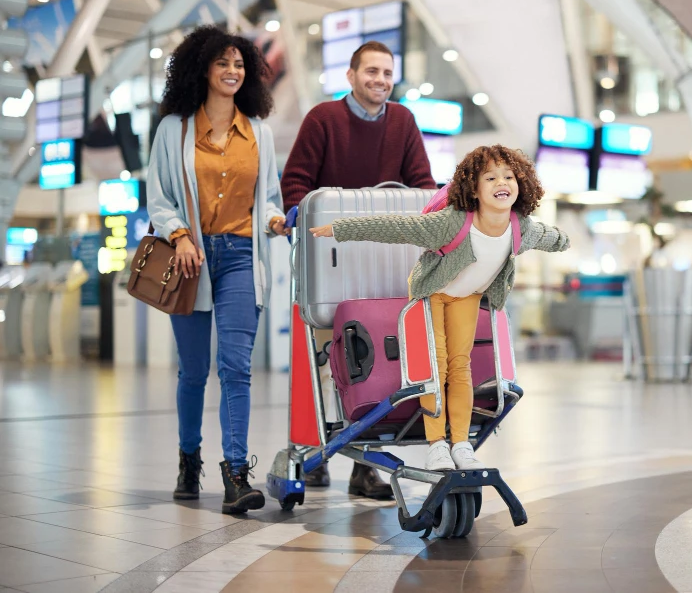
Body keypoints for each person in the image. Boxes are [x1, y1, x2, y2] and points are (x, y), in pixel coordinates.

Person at [311, 145, 570, 470]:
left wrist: (565, 241)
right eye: (490, 177)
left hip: (467, 296)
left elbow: (549, 236)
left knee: (460, 367)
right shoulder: (452, 223)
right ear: (473, 188)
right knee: (435, 366)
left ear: (521, 184)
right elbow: (396, 228)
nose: (501, 182)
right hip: (432, 293)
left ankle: (460, 443)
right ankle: (436, 446)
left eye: (508, 176)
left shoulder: (521, 228)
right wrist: (340, 229)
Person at [281, 40, 435, 497]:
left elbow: (422, 185)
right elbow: (295, 184)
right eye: (371, 72)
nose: (381, 81)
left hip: (382, 260)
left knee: (370, 361)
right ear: (351, 76)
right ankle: (311, 448)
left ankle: (361, 463)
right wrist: (295, 213)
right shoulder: (323, 120)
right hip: (328, 260)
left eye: (387, 73)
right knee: (323, 361)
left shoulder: (403, 121)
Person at [147, 26, 288, 515]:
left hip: (242, 258)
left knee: (236, 368)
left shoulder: (260, 133)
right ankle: (190, 460)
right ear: (202, 69)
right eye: (223, 63)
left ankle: (235, 475)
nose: (232, 71)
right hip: (190, 259)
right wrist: (179, 235)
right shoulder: (174, 129)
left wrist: (275, 218)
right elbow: (159, 198)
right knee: (193, 371)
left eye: (239, 64)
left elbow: (269, 196)